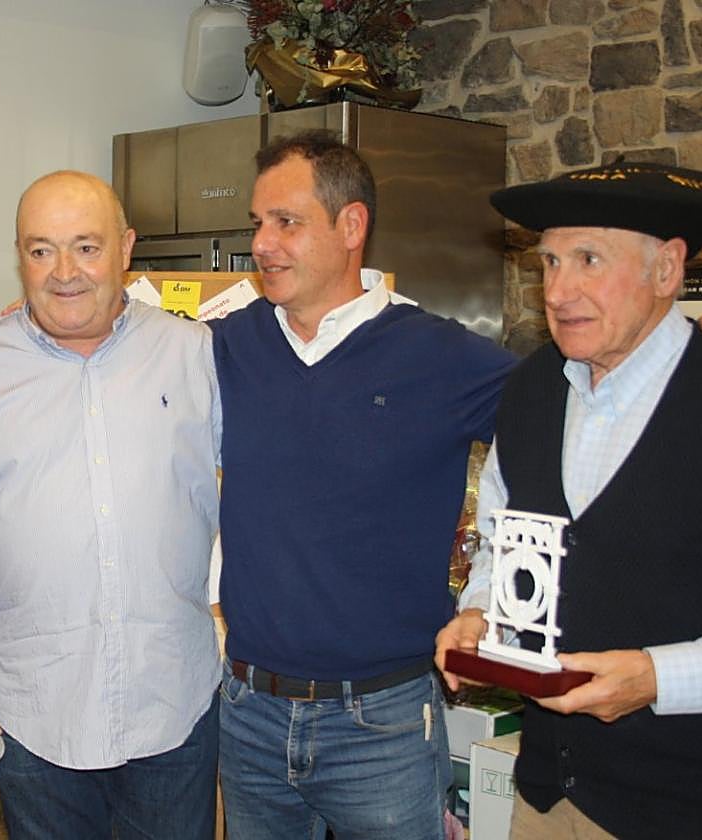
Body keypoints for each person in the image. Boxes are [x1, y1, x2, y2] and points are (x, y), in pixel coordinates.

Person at [208, 130, 517, 839]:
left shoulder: (441, 355)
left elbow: (559, 433)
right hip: (250, 713)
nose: (263, 243)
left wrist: (489, 590)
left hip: (382, 724)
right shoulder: (228, 342)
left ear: (351, 226)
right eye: (258, 222)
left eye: (286, 222)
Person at [0, 170, 222, 839]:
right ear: (19, 255)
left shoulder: (196, 357)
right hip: (31, 711)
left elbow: (259, 497)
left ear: (126, 248)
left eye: (86, 246)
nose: (65, 272)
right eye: (41, 249)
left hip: (174, 700)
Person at [435, 161, 702, 839]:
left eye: (588, 259)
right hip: (548, 799)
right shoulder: (530, 390)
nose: (559, 290)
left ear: (666, 271)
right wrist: (479, 616)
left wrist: (658, 677)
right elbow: (501, 537)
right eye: (551, 262)